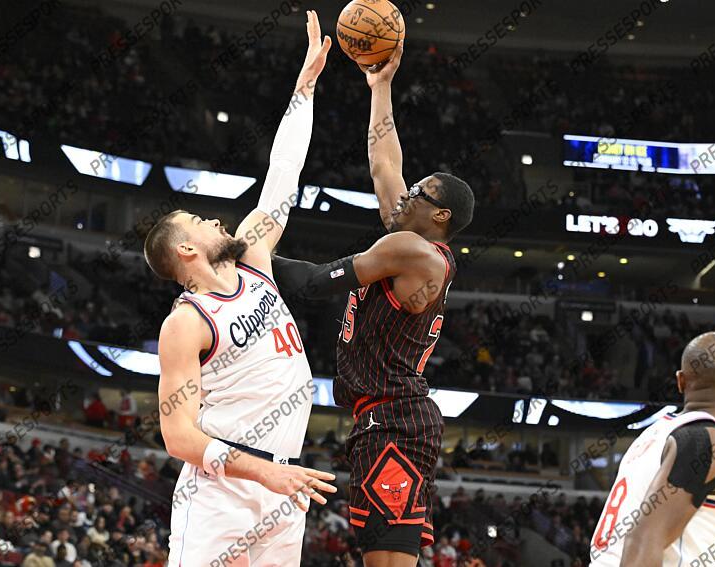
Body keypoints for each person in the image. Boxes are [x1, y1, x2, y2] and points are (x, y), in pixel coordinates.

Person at [270, 42, 474, 566]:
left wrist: (245, 254)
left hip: (395, 419)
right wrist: (381, 86)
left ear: (441, 216)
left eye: (420, 193)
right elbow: (384, 163)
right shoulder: (410, 241)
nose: (407, 193)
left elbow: (315, 283)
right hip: (383, 417)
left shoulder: (413, 251)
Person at [145, 11, 336, 567]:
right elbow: (179, 437)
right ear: (185, 250)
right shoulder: (186, 323)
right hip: (224, 489)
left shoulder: (252, 259)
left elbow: (282, 177)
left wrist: (304, 90)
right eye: (199, 222)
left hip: (283, 483)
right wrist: (263, 472)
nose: (214, 221)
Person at [588, 332, 715, 565]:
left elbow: (694, 534)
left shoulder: (654, 434)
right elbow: (643, 541)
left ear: (681, 381)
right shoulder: (704, 441)